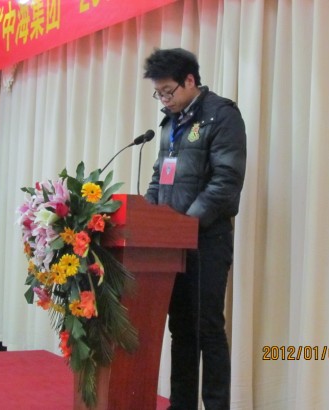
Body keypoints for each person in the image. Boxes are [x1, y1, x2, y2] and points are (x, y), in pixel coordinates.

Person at [143, 48, 247, 410]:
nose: (164, 99)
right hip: (172, 245)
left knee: (207, 329)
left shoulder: (222, 115)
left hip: (207, 241)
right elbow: (159, 177)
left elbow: (226, 182)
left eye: (168, 91)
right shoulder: (170, 123)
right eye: (158, 93)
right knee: (181, 330)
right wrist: (149, 220)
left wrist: (184, 226)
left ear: (190, 80)